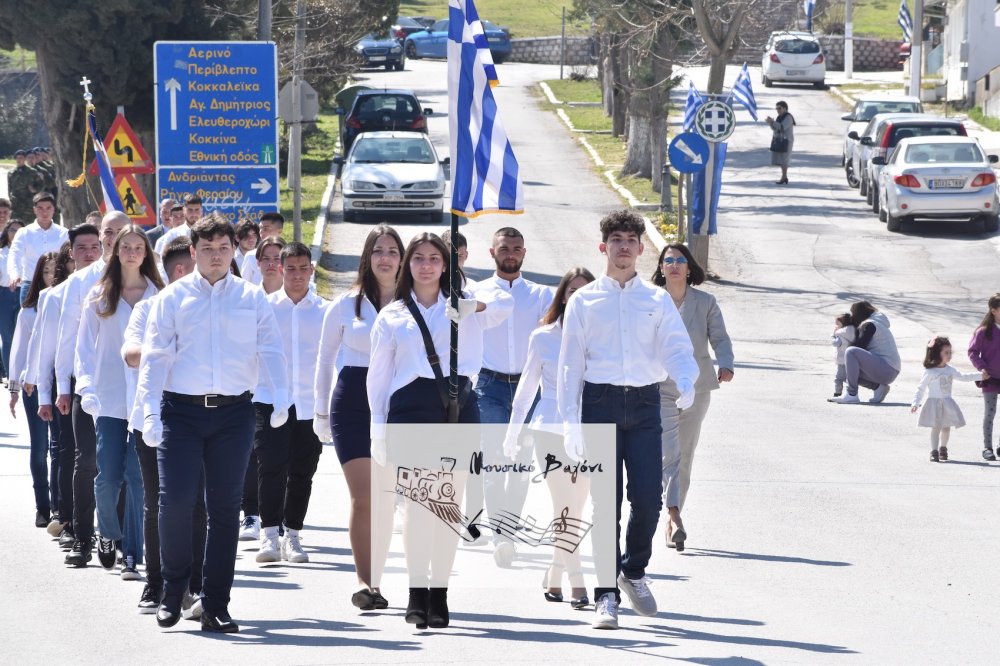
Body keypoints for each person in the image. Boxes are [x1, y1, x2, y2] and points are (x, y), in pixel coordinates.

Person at [137, 213, 289, 633]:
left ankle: (216, 603)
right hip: (180, 413)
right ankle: (172, 592)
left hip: (233, 414)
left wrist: (281, 396)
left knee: (224, 510)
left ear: (233, 251)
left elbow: (271, 348)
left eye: (224, 248)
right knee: (176, 501)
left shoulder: (251, 297)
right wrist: (148, 409)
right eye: (207, 249)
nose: (217, 256)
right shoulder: (173, 298)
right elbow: (154, 358)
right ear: (193, 252)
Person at [557, 210, 698, 630]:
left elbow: (676, 346)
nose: (623, 246)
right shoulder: (584, 300)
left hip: (643, 405)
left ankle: (633, 571)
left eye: (630, 240)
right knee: (606, 505)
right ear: (604, 247)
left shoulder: (655, 300)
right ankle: (606, 596)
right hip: (598, 404)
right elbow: (570, 365)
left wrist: (686, 380)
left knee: (649, 501)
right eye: (615, 239)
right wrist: (570, 422)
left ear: (641, 249)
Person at [368, 232, 513, 629]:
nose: (427, 265)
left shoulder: (465, 304)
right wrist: (377, 427)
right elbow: (378, 377)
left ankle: (439, 592)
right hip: (411, 407)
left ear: (447, 264)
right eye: (419, 258)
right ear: (407, 265)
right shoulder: (393, 314)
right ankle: (416, 592)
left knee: (448, 506)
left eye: (435, 258)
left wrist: (471, 306)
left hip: (457, 404)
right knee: (418, 507)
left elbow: (505, 302)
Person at [315, 223, 403, 610]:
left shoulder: (413, 304)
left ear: (402, 259)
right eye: (378, 251)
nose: (385, 258)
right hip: (352, 402)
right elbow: (324, 361)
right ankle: (367, 583)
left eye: (392, 251)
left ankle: (382, 576)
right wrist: (320, 411)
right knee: (365, 496)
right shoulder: (345, 304)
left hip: (398, 405)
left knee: (387, 497)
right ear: (367, 258)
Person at [122, 237, 207, 615]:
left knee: (197, 505)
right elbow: (130, 354)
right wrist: (164, 349)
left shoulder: (210, 310)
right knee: (160, 503)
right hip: (151, 419)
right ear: (180, 271)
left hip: (198, 420)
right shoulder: (147, 309)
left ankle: (196, 585)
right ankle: (155, 583)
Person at [503, 266, 594, 609]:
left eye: (585, 292)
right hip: (550, 429)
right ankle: (577, 582)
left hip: (588, 431)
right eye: (572, 291)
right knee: (565, 507)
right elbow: (526, 391)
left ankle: (554, 573)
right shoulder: (542, 337)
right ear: (563, 295)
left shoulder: (600, 336)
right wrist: (512, 433)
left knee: (575, 509)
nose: (577, 298)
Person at [77, 225, 164, 580]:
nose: (131, 252)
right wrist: (86, 388)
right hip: (109, 399)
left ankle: (132, 553)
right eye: (125, 246)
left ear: (146, 253)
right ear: (116, 252)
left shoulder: (159, 296)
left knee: (137, 477)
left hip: (144, 400)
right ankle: (108, 534)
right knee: (108, 476)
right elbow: (83, 348)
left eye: (138, 247)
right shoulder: (100, 295)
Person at [473, 227, 553, 564]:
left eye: (517, 248)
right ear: (492, 252)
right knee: (493, 462)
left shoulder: (540, 296)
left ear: (524, 253)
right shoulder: (475, 293)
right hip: (488, 387)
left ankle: (509, 529)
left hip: (528, 389)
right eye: (504, 248)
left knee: (520, 465)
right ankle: (500, 536)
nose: (511, 253)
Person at [56, 211, 129, 567]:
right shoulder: (81, 282)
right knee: (88, 462)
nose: (114, 238)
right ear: (101, 237)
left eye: (120, 232)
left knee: (126, 468)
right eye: (108, 232)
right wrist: (63, 387)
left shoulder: (142, 280)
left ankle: (118, 537)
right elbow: (68, 339)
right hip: (89, 386)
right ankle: (83, 538)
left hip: (130, 388)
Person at [651, 243, 734, 552]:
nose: (673, 265)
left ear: (689, 268)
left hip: (697, 388)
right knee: (668, 453)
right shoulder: (651, 301)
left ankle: (673, 517)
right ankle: (672, 515)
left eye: (679, 260)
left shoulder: (705, 302)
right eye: (668, 260)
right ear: (661, 268)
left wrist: (725, 363)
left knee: (684, 454)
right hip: (659, 387)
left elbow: (720, 338)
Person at [252, 242, 326, 565]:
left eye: (303, 268)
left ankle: (293, 534)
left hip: (309, 404)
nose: (297, 275)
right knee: (270, 467)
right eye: (291, 268)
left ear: (312, 270)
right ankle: (269, 533)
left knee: (302, 472)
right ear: (281, 270)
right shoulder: (265, 307)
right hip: (269, 400)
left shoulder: (325, 310)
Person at [8, 252, 59, 527]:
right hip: (34, 386)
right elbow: (18, 353)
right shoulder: (29, 311)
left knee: (60, 448)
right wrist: (14, 389)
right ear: (40, 275)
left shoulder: (68, 305)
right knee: (40, 448)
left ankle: (62, 506)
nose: (52, 276)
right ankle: (43, 505)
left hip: (62, 385)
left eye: (57, 270)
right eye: (48, 271)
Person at [912, 335, 981, 462]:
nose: (949, 355)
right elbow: (921, 388)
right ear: (937, 353)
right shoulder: (930, 372)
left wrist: (980, 375)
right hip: (934, 403)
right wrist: (915, 402)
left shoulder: (950, 370)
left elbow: (963, 377)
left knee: (946, 427)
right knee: (936, 427)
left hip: (947, 403)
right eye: (946, 352)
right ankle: (934, 451)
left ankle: (943, 448)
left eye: (950, 352)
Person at [831, 301, 900, 404]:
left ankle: (852, 395)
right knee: (846, 373)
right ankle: (878, 388)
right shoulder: (874, 323)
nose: (852, 317)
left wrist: (840, 332)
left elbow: (859, 346)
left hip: (887, 369)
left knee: (851, 351)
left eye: (853, 313)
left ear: (859, 313)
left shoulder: (869, 324)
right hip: (888, 370)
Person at [7, 192, 68, 304]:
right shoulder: (24, 232)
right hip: (30, 284)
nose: (44, 212)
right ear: (34, 209)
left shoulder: (63, 233)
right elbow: (14, 254)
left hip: (56, 284)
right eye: (40, 208)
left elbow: (67, 258)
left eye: (48, 208)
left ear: (54, 209)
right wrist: (14, 274)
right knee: (28, 319)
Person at [967, 294, 1000, 461]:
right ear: (993, 310)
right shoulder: (983, 332)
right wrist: (982, 368)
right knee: (990, 413)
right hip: (990, 379)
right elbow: (972, 352)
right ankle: (987, 447)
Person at [0, 216, 26, 382]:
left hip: (24, 292)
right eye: (12, 230)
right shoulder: (1, 253)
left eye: (19, 230)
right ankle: (11, 375)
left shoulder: (28, 250)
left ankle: (24, 372)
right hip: (5, 295)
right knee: (8, 336)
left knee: (24, 335)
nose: (15, 233)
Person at [240, 212, 285, 285]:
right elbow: (244, 285)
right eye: (260, 228)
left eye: (266, 229)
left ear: (279, 231)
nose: (261, 232)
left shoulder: (288, 255)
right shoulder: (251, 256)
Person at [7, 149, 44, 221]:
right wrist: (11, 198)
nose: (18, 160)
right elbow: (9, 188)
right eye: (17, 158)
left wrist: (35, 190)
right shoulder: (11, 173)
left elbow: (41, 185)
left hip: (28, 205)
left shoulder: (32, 172)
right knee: (15, 224)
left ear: (24, 159)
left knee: (28, 225)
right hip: (15, 205)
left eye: (20, 158)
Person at [765, 101, 795, 185]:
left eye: (779, 108)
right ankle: (784, 177)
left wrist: (773, 122)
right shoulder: (779, 117)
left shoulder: (788, 117)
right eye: (777, 108)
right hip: (780, 140)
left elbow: (782, 127)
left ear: (785, 108)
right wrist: (771, 123)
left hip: (787, 141)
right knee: (781, 160)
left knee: (784, 160)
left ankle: (784, 177)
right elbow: (775, 128)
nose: (778, 110)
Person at [831, 313, 856, 398]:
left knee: (838, 378)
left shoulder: (840, 334)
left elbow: (835, 343)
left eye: (837, 324)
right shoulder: (854, 331)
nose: (836, 326)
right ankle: (851, 392)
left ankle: (838, 393)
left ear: (843, 324)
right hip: (852, 360)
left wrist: (833, 335)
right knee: (849, 378)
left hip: (842, 361)